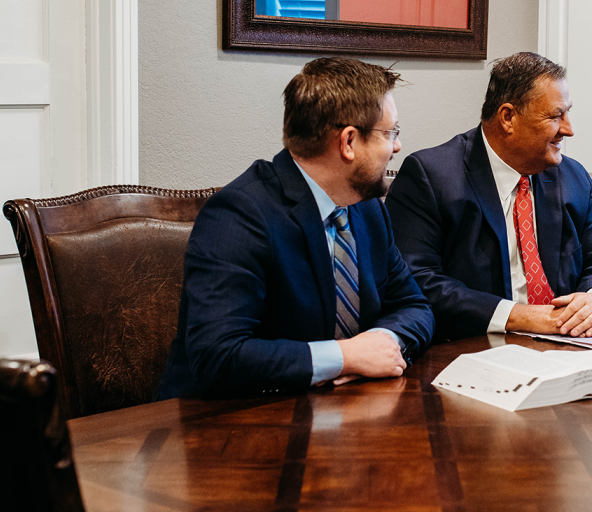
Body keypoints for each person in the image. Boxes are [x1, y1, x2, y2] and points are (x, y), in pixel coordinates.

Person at [157, 58, 434, 399]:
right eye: (389, 133)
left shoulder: (368, 208)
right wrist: (345, 357)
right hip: (225, 417)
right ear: (348, 142)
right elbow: (219, 355)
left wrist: (383, 342)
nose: (396, 146)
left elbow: (415, 306)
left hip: (341, 408)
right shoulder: (238, 214)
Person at [385, 52, 592, 341]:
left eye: (567, 113)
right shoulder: (432, 176)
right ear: (508, 117)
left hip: (566, 344)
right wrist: (521, 317)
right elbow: (416, 280)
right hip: (472, 347)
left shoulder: (572, 177)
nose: (568, 130)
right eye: (555, 116)